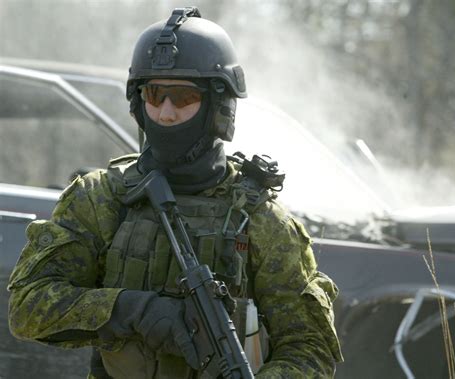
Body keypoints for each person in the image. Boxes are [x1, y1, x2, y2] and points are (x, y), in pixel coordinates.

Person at [8, 7, 343, 379]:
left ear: (218, 106)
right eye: (154, 94)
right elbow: (28, 307)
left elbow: (309, 347)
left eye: (182, 98)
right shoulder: (101, 199)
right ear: (139, 103)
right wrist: (131, 310)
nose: (165, 113)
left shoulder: (262, 220)